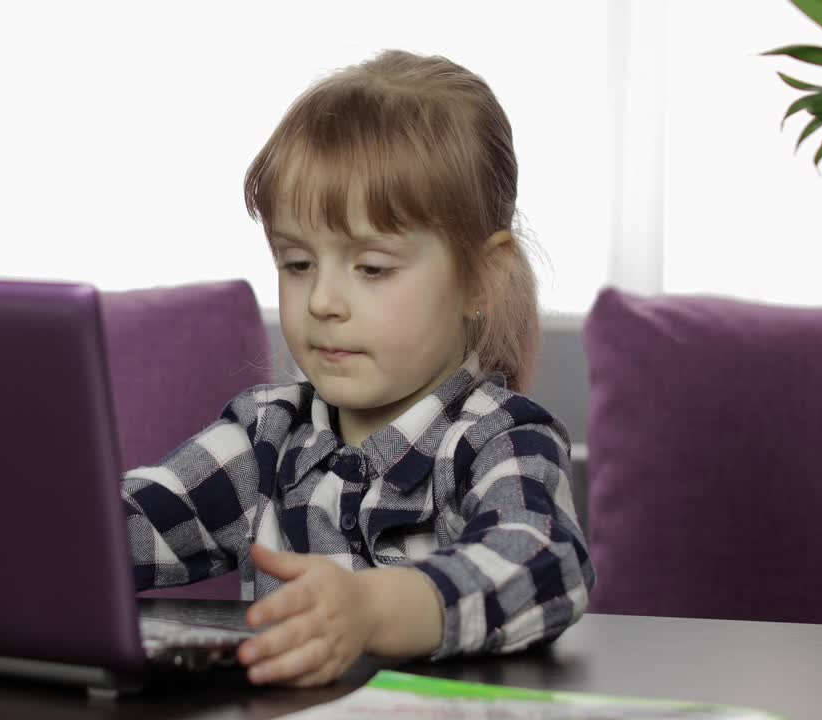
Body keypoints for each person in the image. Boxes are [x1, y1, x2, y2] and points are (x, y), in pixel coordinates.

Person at [120, 49, 595, 688]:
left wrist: (373, 609)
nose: (321, 301)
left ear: (482, 279)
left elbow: (543, 560)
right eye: (297, 263)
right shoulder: (265, 435)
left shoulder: (500, 440)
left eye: (370, 268)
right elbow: (121, 527)